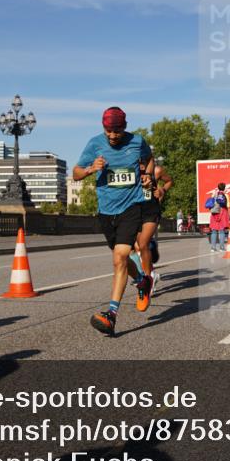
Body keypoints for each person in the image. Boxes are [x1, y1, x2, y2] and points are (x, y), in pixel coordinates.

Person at [73, 106, 153, 336]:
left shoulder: (137, 142)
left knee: (119, 258)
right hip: (106, 211)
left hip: (131, 206)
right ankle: (141, 280)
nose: (112, 136)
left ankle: (111, 314)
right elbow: (75, 173)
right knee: (121, 259)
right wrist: (90, 169)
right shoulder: (95, 143)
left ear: (124, 127)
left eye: (116, 131)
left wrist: (147, 176)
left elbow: (149, 160)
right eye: (108, 131)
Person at [133, 155, 173, 305]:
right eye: (138, 161)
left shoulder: (157, 171)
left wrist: (162, 190)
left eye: (143, 161)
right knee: (137, 247)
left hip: (151, 211)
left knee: (143, 244)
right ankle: (152, 273)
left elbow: (169, 181)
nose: (141, 164)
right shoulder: (132, 172)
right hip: (136, 212)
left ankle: (147, 279)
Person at [207, 182, 230, 252]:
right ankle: (222, 247)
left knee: (214, 231)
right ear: (224, 188)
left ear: (218, 187)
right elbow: (228, 206)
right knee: (222, 231)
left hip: (214, 213)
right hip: (223, 212)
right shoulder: (226, 195)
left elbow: (210, 204)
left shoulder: (214, 194)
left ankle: (213, 247)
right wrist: (229, 216)